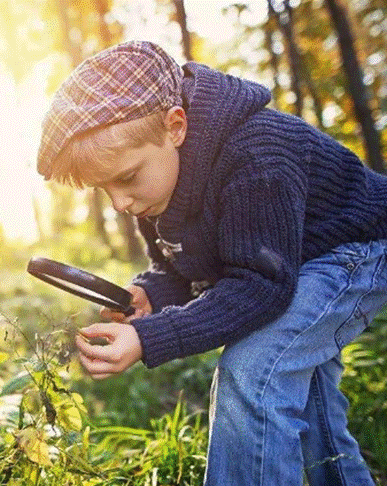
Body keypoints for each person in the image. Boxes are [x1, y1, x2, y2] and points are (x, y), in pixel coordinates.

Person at [36, 40, 387, 486]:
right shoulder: (157, 190)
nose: (120, 202)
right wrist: (152, 293)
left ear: (175, 126)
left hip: (356, 247)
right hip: (289, 264)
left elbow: (259, 285)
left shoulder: (258, 155)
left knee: (256, 368)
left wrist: (150, 337)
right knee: (308, 395)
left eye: (126, 178)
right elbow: (180, 267)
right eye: (103, 190)